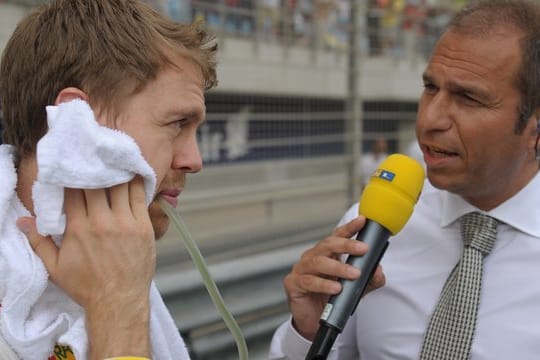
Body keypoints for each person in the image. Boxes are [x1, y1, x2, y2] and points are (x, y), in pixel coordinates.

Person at [269, 0, 540, 358]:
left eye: (468, 98)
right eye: (430, 88)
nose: (430, 119)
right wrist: (307, 332)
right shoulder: (371, 225)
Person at [0, 0, 217, 359]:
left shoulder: (116, 260)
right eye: (178, 123)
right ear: (77, 122)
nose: (194, 161)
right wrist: (118, 311)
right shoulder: (117, 287)